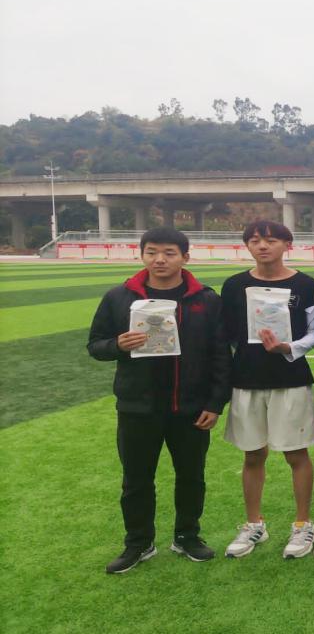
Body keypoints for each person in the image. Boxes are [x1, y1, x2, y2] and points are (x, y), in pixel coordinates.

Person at [88, 227, 231, 574]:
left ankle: (187, 536)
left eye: (169, 252)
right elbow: (95, 345)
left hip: (190, 408)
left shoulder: (206, 299)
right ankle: (138, 543)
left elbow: (220, 355)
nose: (159, 260)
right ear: (142, 255)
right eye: (151, 252)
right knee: (136, 480)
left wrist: (215, 403)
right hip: (137, 408)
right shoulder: (119, 297)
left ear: (185, 257)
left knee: (191, 476)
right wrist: (118, 345)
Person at [220, 221, 314, 559]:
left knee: (296, 454)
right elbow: (226, 334)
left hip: (290, 379)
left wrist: (288, 348)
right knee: (253, 454)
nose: (262, 246)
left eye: (271, 240)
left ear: (287, 244)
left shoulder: (306, 285)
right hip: (246, 379)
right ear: (247, 246)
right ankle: (254, 524)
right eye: (254, 240)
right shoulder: (235, 285)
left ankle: (303, 524)